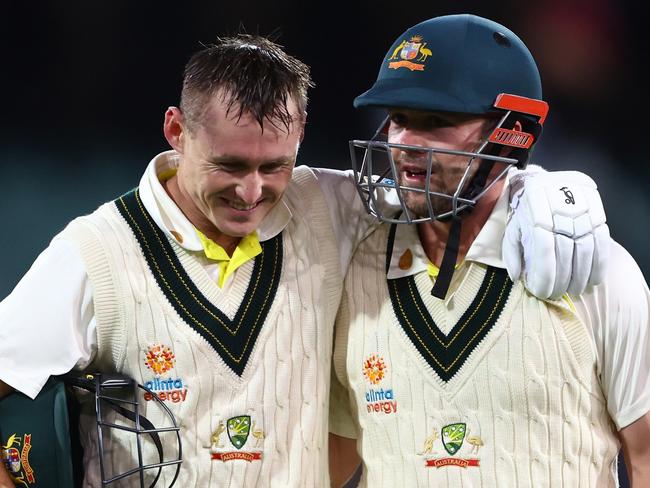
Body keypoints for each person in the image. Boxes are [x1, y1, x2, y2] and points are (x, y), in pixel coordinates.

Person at [0, 34, 610, 487]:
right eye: (230, 165)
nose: (252, 192)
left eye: (275, 166)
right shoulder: (94, 252)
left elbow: (455, 179)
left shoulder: (330, 207)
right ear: (175, 130)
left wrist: (557, 191)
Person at [328, 14, 649, 488]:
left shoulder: (593, 272)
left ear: (509, 131)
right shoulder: (358, 268)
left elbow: (644, 454)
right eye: (399, 119)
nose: (406, 144)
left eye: (436, 122)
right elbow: (333, 458)